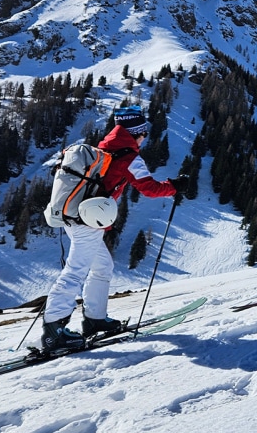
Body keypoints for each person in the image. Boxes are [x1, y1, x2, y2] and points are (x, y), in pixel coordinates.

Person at [41, 105, 179, 353]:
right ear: (137, 132)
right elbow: (148, 188)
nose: (145, 137)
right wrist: (174, 187)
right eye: (144, 132)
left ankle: (94, 319)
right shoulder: (128, 156)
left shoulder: (104, 147)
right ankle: (54, 331)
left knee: (102, 266)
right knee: (75, 271)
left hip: (76, 218)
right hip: (87, 223)